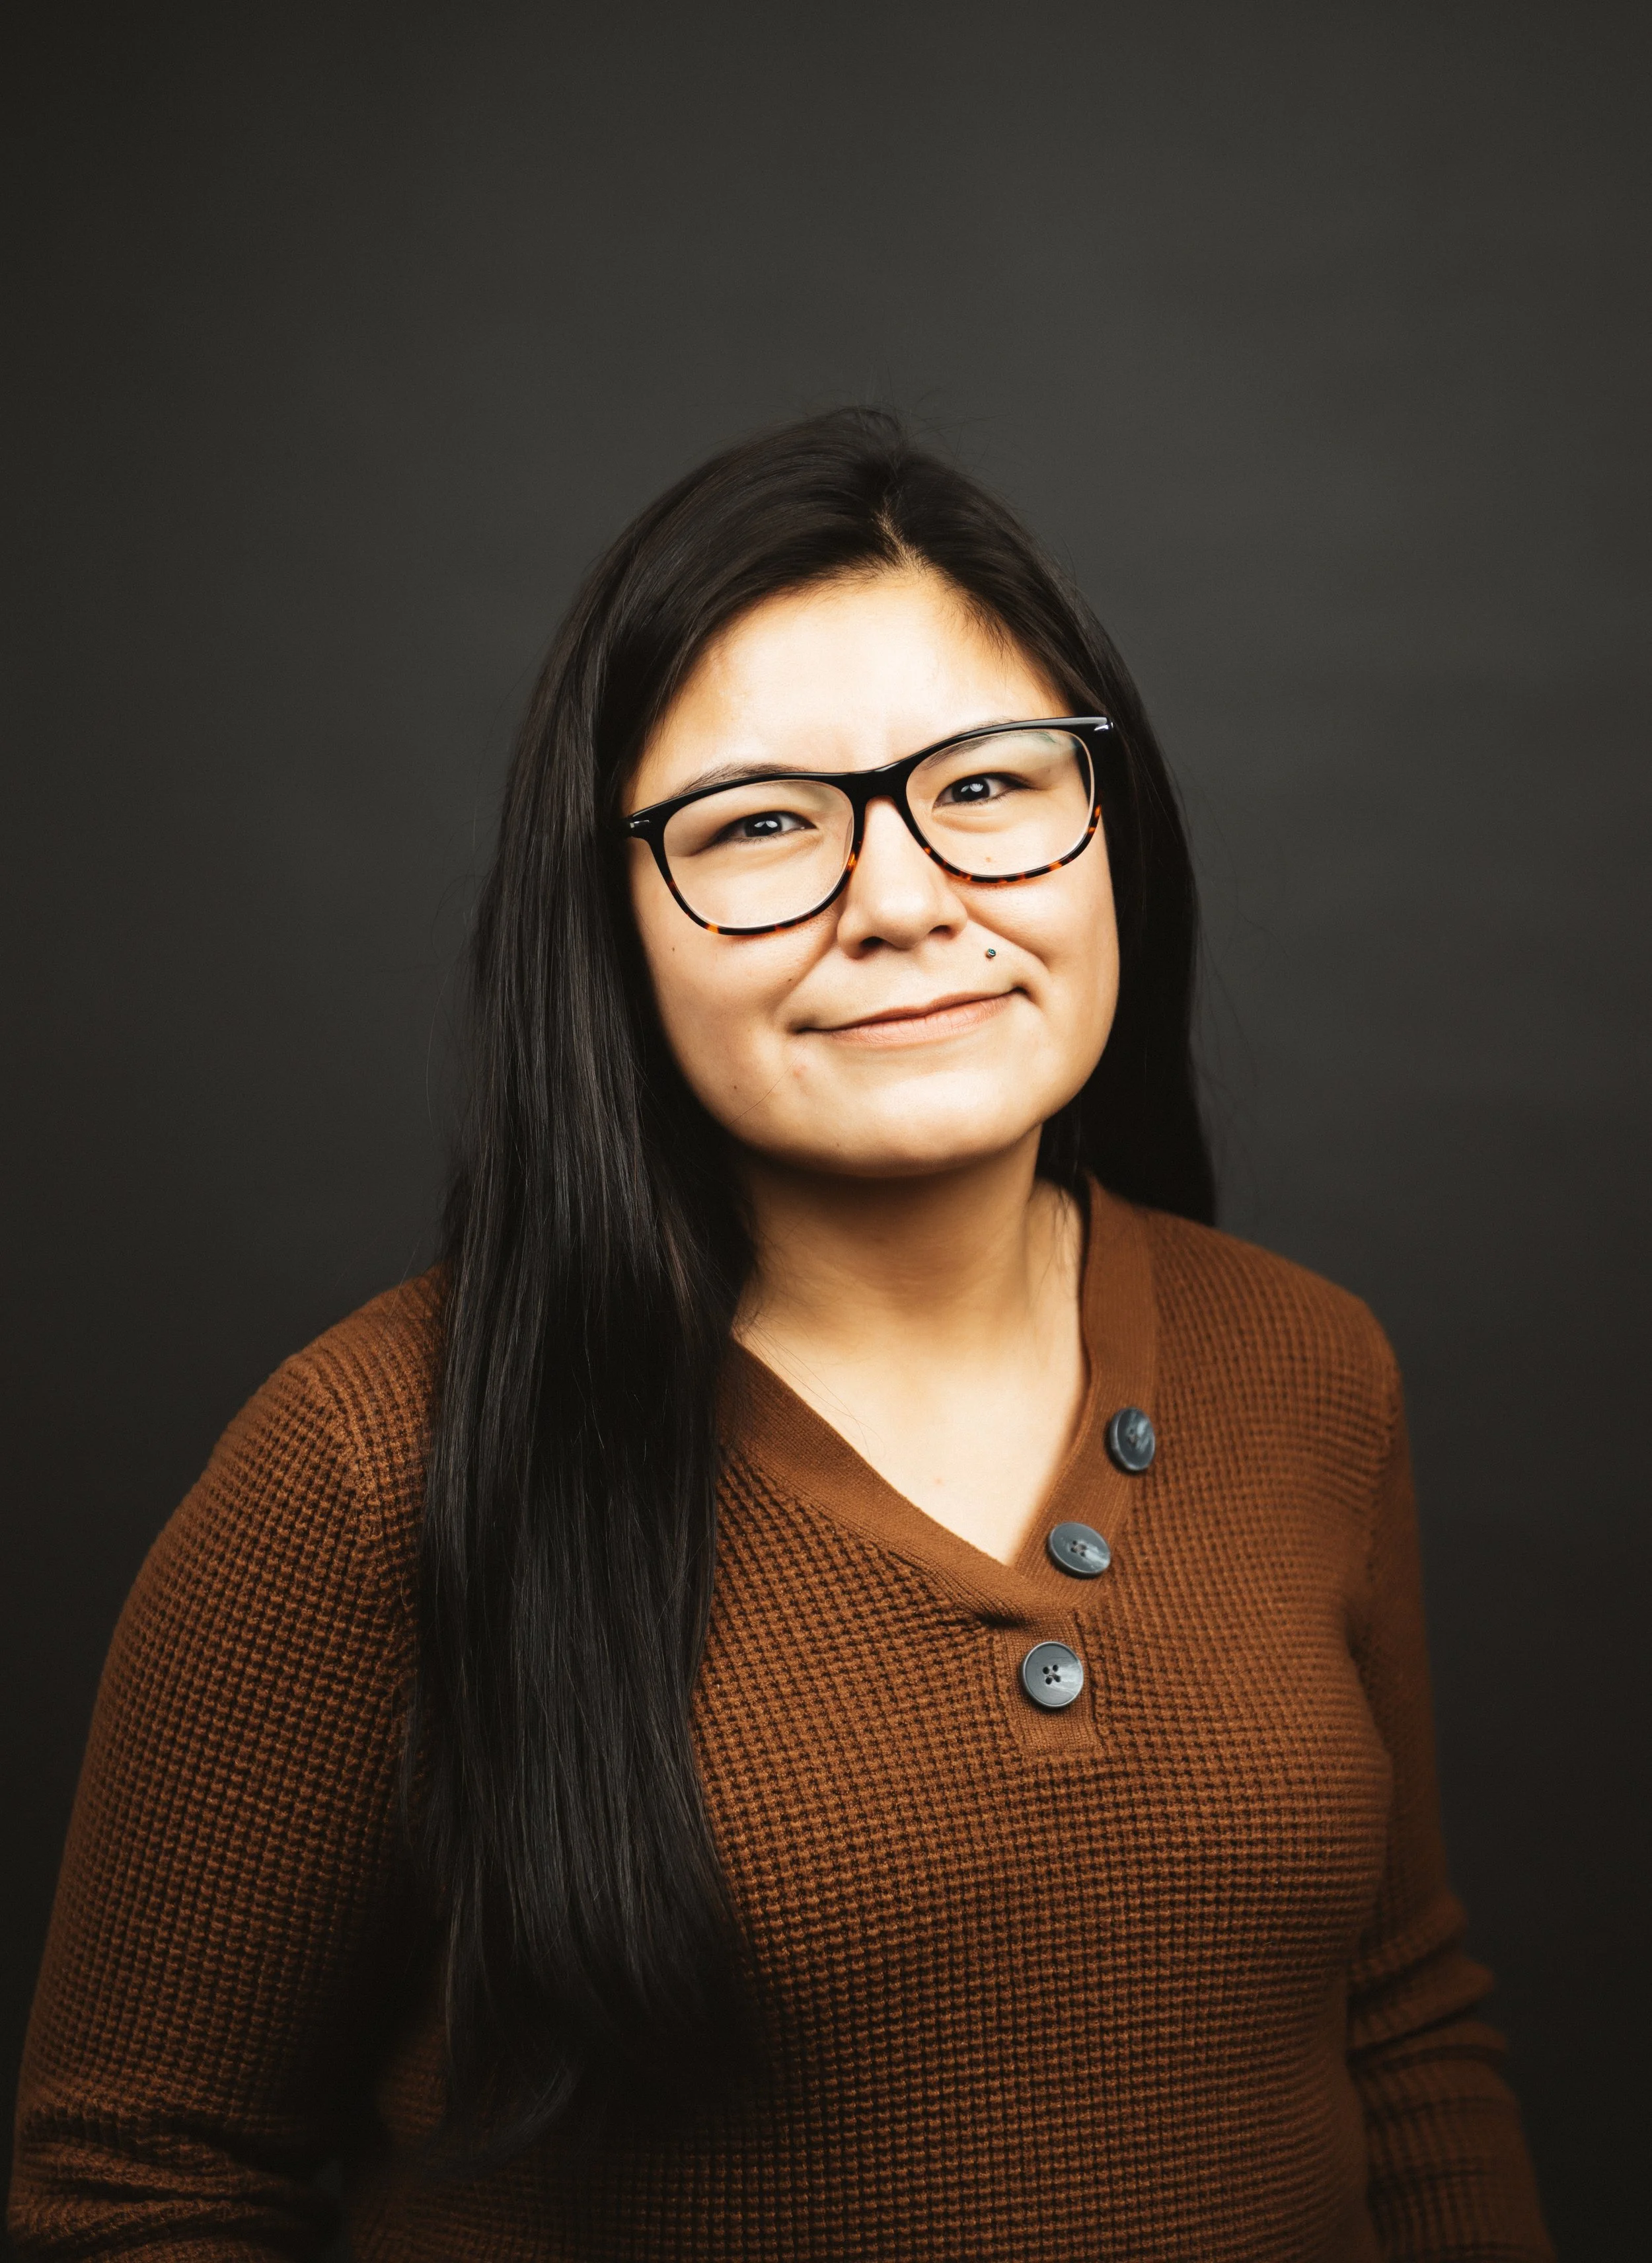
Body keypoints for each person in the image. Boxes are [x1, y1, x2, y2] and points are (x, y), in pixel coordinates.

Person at [10, 410, 1552, 2259]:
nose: (902, 903)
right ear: (606, 924)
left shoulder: (1308, 1369)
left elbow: (1400, 2026)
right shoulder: (365, 1464)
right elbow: (140, 2183)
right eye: (760, 826)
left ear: (1111, 823)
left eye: (988, 786)